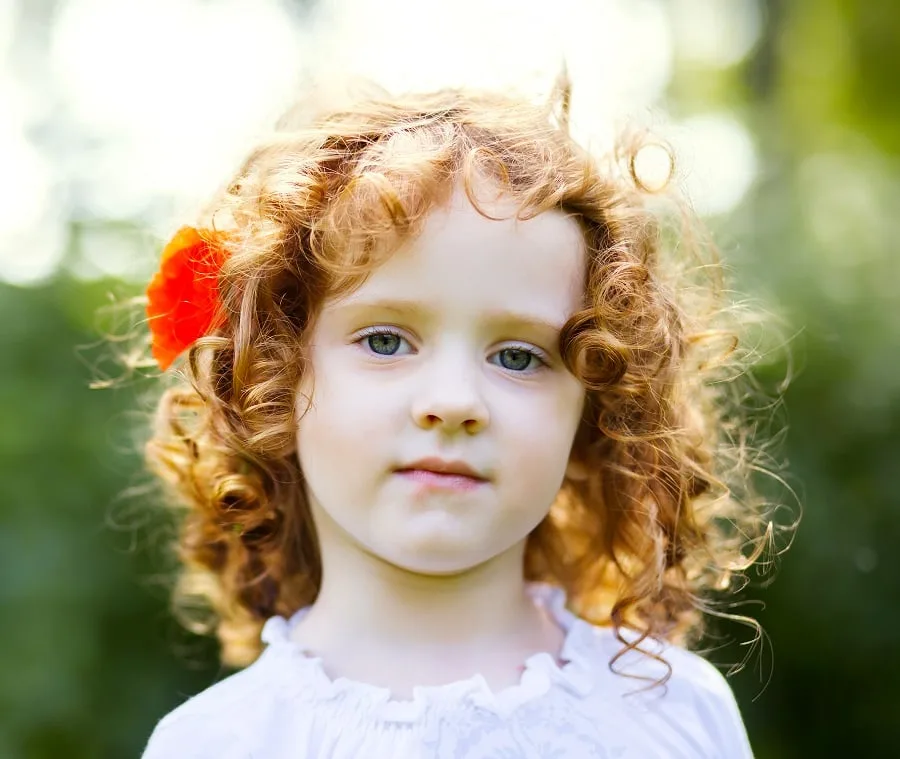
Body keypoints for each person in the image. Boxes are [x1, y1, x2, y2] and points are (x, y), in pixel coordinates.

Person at [135, 78, 780, 758]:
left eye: (519, 356)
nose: (456, 400)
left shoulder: (674, 714)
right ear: (274, 378)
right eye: (385, 340)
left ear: (596, 413)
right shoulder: (215, 743)